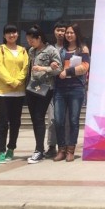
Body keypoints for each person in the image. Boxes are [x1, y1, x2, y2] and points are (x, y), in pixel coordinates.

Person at [53, 23, 90, 162]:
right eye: (67, 32)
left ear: (77, 34)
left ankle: (70, 150)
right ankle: (61, 149)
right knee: (58, 120)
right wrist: (53, 66)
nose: (68, 35)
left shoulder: (83, 49)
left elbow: (85, 67)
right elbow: (57, 67)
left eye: (71, 32)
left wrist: (67, 71)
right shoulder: (61, 50)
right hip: (60, 89)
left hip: (76, 89)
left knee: (74, 120)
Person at [25, 24, 62, 164]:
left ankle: (39, 150)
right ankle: (38, 148)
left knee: (39, 117)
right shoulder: (31, 51)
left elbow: (58, 70)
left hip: (46, 87)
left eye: (32, 39)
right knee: (35, 119)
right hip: (33, 87)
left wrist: (44, 68)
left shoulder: (51, 50)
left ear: (39, 38)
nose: (30, 42)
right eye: (28, 40)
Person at [0, 24, 29, 164]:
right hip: (4, 92)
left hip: (19, 92)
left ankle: (11, 148)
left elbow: (25, 68)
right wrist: (11, 81)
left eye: (14, 32)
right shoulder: (0, 49)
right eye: (8, 32)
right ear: (4, 35)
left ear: (17, 34)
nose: (11, 35)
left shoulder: (23, 50)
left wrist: (18, 81)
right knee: (2, 122)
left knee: (16, 122)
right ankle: (1, 151)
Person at [44, 20, 68, 159]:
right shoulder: (49, 48)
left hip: (67, 87)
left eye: (63, 30)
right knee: (52, 119)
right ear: (54, 32)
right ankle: (52, 146)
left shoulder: (70, 48)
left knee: (66, 120)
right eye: (58, 30)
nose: (60, 33)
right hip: (52, 88)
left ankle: (64, 147)